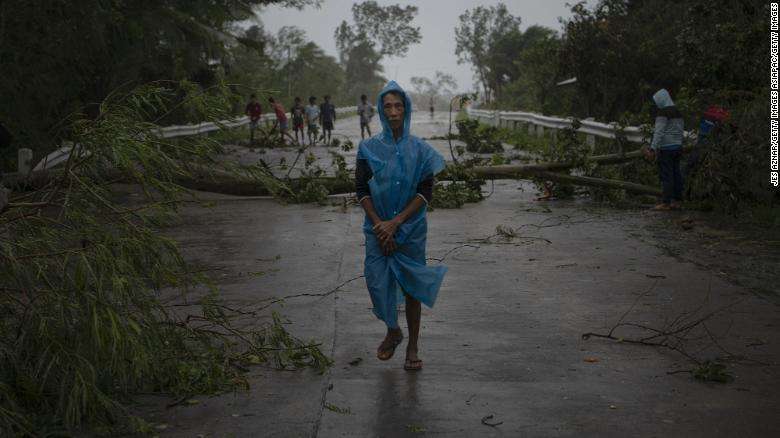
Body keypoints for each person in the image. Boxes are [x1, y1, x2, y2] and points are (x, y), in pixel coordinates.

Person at [354, 81, 447, 371]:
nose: (393, 112)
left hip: (410, 228)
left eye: (398, 106)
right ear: (380, 111)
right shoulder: (368, 148)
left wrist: (396, 223)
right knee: (376, 280)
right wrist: (380, 224)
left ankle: (413, 345)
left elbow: (425, 193)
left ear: (405, 109)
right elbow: (361, 190)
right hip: (377, 228)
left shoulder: (421, 151)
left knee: (411, 288)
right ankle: (393, 330)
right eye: (388, 107)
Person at [644, 88, 684, 210]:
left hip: (666, 148)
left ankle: (666, 202)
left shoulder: (663, 113)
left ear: (661, 100)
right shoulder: (678, 111)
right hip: (677, 147)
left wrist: (652, 148)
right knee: (676, 174)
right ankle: (677, 201)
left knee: (667, 176)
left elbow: (659, 132)